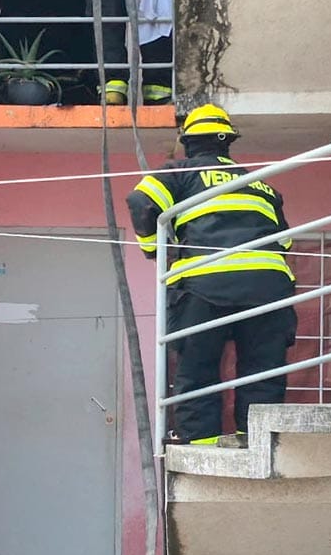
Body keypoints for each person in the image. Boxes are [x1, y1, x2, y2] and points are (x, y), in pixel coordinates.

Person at [126, 104, 298, 446]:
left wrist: (154, 249)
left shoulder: (179, 172)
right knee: (263, 370)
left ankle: (201, 447)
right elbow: (286, 240)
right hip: (268, 288)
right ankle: (256, 443)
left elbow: (141, 202)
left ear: (187, 141)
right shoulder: (258, 184)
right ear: (228, 143)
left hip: (205, 284)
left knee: (198, 369)